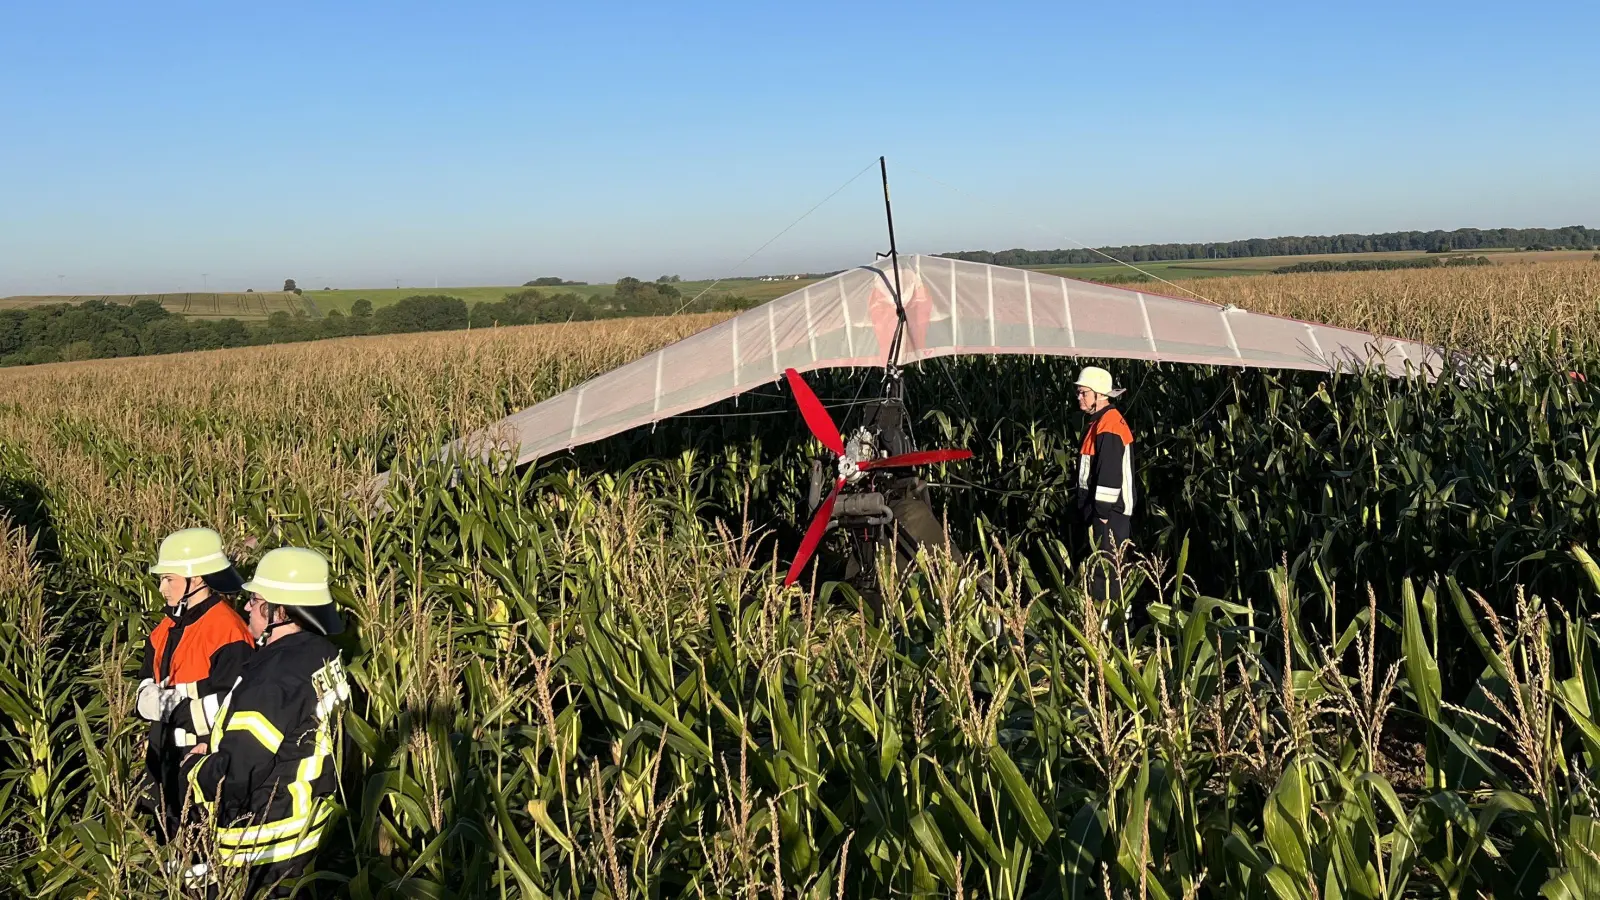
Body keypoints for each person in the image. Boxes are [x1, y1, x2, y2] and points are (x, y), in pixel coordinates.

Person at [186, 547, 350, 898]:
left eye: (254, 599)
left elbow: (238, 772)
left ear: (280, 611)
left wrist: (196, 769)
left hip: (264, 847)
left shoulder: (273, 679)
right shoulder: (323, 653)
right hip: (307, 831)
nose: (246, 607)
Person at [138, 527, 254, 842]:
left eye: (169, 579)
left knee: (196, 847)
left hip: (200, 761)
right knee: (166, 841)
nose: (162, 588)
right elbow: (144, 685)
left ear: (197, 578)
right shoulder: (163, 630)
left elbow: (234, 706)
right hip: (162, 757)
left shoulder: (228, 631)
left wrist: (169, 705)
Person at [1074, 366, 1135, 605]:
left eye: (1084, 393)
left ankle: (1112, 622)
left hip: (1109, 514)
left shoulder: (1108, 425)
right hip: (1104, 512)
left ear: (1099, 394)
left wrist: (1101, 514)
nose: (1079, 397)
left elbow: (1109, 476)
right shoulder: (1101, 422)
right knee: (1103, 571)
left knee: (1107, 575)